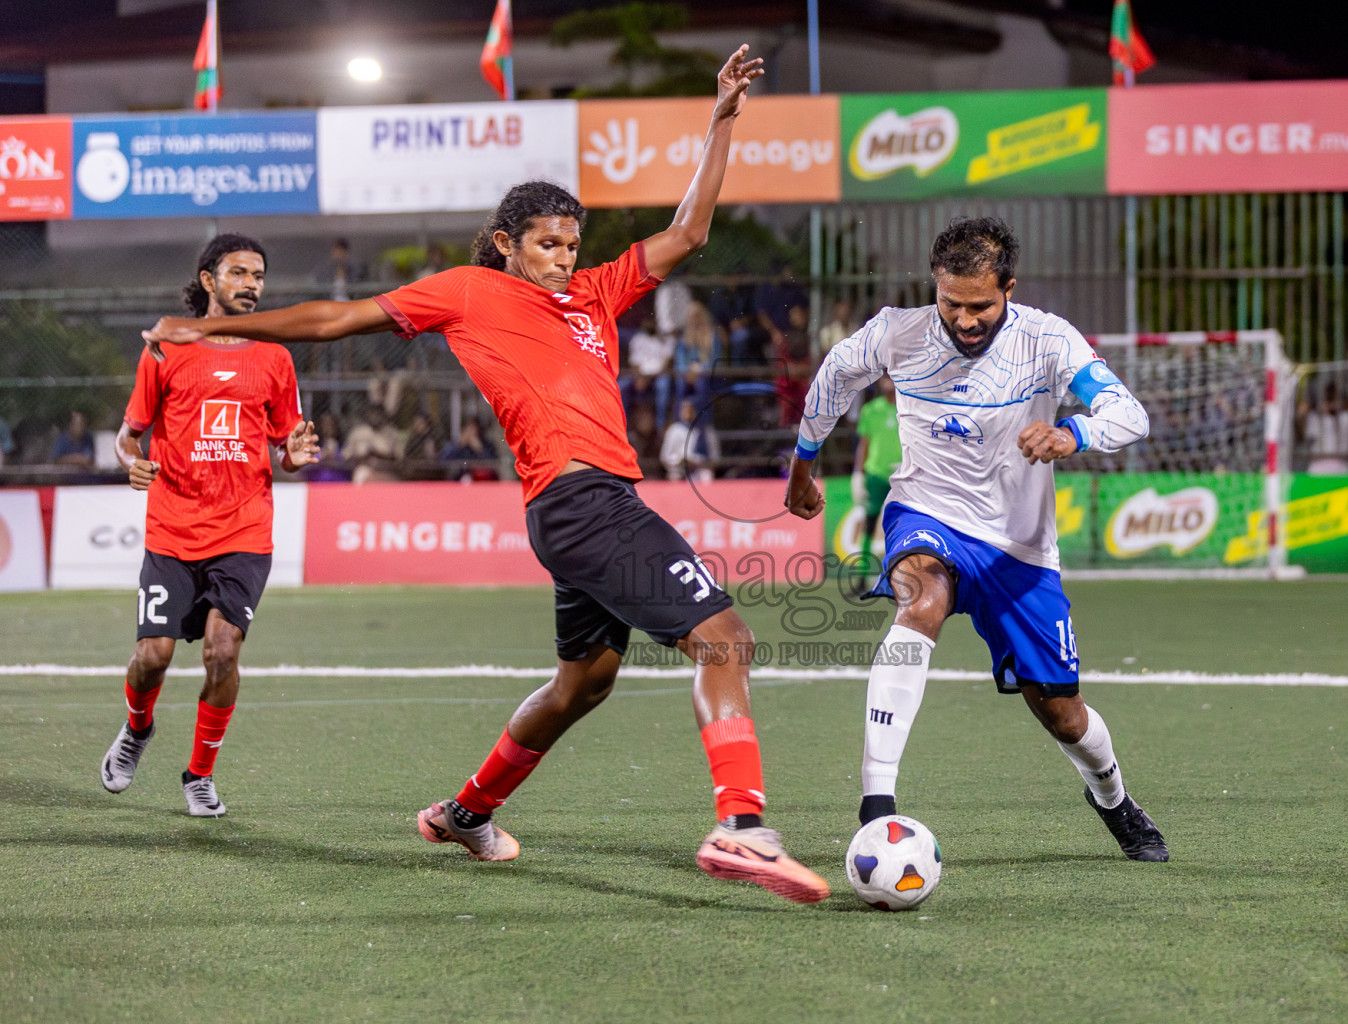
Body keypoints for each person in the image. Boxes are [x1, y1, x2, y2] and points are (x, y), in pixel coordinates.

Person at [143, 46, 828, 904]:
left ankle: (465, 812)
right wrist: (216, 332)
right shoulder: (469, 290)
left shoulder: (596, 294)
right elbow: (338, 318)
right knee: (726, 639)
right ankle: (741, 827)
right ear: (507, 243)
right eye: (546, 244)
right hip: (582, 503)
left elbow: (689, 231)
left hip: (591, 506)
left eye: (572, 244)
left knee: (584, 684)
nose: (563, 258)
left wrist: (721, 118)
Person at [785, 217, 1169, 862]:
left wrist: (1072, 434)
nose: (964, 320)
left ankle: (1113, 799)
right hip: (925, 511)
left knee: (1063, 715)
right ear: (934, 287)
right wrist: (803, 461)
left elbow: (1130, 414)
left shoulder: (1048, 339)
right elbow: (834, 378)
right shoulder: (896, 333)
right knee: (922, 596)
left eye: (981, 306)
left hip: (1019, 549)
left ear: (1009, 290)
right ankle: (877, 803)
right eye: (951, 304)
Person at [100, 233, 319, 817]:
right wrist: (132, 463)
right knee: (153, 656)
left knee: (223, 653)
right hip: (173, 528)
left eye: (259, 275)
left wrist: (295, 457)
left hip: (243, 531)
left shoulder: (275, 355)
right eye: (239, 272)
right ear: (208, 281)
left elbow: (287, 447)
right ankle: (136, 730)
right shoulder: (167, 348)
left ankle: (199, 774)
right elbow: (127, 436)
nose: (251, 284)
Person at [852, 375, 902, 576]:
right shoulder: (871, 410)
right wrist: (858, 473)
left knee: (901, 526)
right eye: (885, 378)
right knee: (870, 521)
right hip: (876, 474)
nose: (888, 383)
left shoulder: (909, 409)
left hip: (902, 475)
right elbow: (864, 444)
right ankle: (862, 574)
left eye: (892, 378)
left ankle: (897, 573)